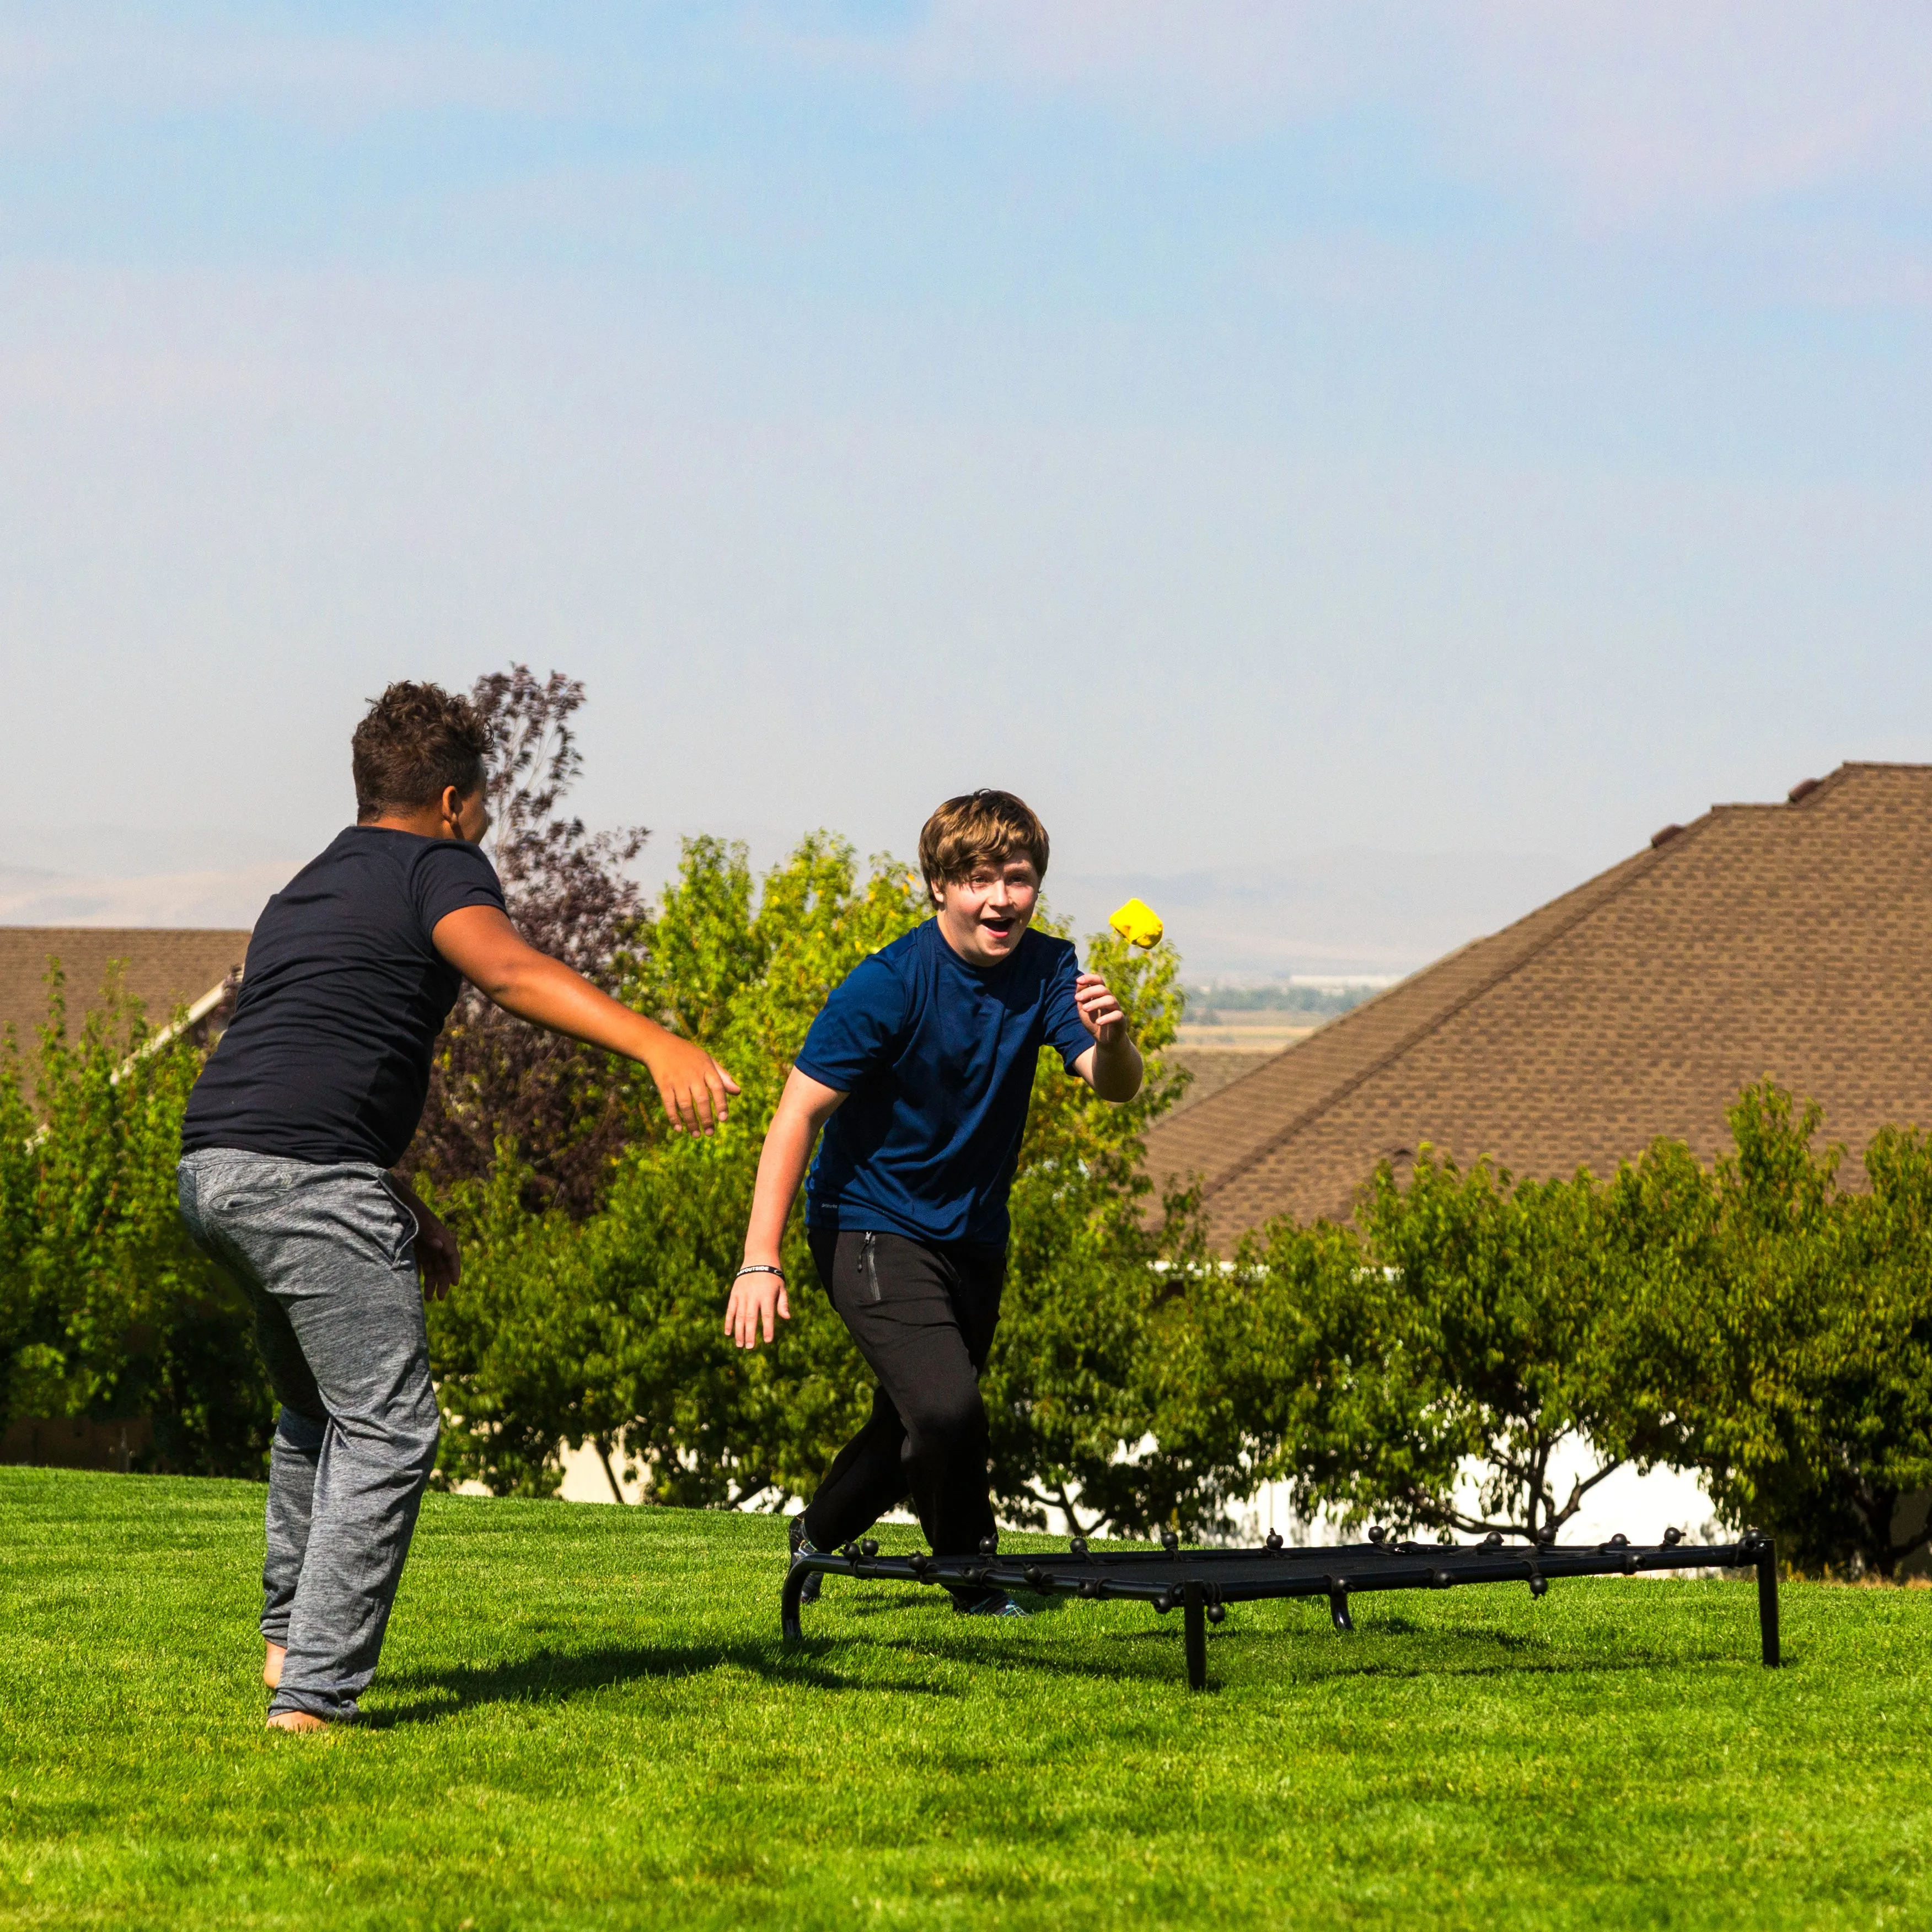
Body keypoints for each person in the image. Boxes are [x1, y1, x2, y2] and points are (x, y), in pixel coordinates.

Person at [177, 681, 736, 1731]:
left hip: (215, 1169)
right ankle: (314, 1701)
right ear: (450, 799)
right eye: (485, 803)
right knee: (389, 1430)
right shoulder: (441, 865)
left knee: (316, 1410)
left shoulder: (307, 887)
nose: (488, 822)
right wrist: (657, 1042)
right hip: (304, 1182)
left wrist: (400, 1203)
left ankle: (287, 1643)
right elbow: (511, 971)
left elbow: (311, 1062)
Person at [725, 788, 1141, 1613]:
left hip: (975, 1238)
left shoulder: (1052, 968)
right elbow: (797, 1114)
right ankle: (973, 1582)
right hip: (868, 1225)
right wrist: (759, 1260)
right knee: (949, 1411)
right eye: (979, 878)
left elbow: (1114, 1089)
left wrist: (1116, 1040)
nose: (1000, 899)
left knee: (915, 1425)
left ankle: (813, 1542)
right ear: (940, 887)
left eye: (1017, 879)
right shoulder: (888, 984)